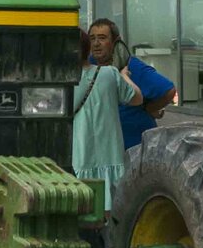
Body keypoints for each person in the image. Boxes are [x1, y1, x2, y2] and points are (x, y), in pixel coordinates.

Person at [74, 29, 139, 219]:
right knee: (111, 214)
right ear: (87, 49)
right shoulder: (110, 74)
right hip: (110, 157)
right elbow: (137, 98)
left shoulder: (60, 83)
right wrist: (124, 76)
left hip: (78, 158)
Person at [86, 18, 176, 150]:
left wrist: (150, 108)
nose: (96, 43)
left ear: (116, 41)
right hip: (105, 146)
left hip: (135, 147)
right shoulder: (89, 64)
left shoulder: (132, 66)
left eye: (102, 38)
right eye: (92, 38)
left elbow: (169, 91)